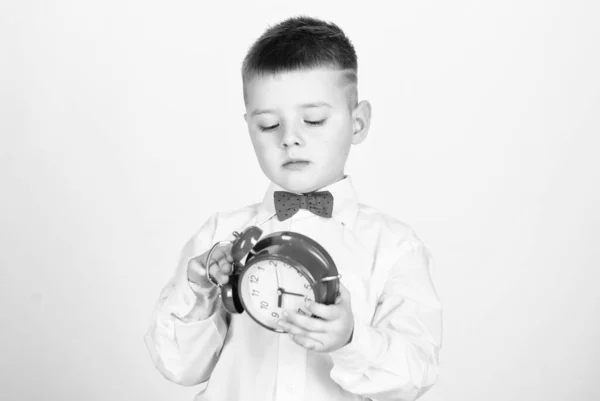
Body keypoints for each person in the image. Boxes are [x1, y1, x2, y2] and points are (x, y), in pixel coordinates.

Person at [144, 15, 442, 401]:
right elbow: (179, 367)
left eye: (314, 120)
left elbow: (415, 375)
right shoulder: (219, 236)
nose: (290, 139)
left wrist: (351, 340)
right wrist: (197, 289)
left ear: (358, 123)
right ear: (249, 126)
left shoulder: (394, 247)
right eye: (269, 125)